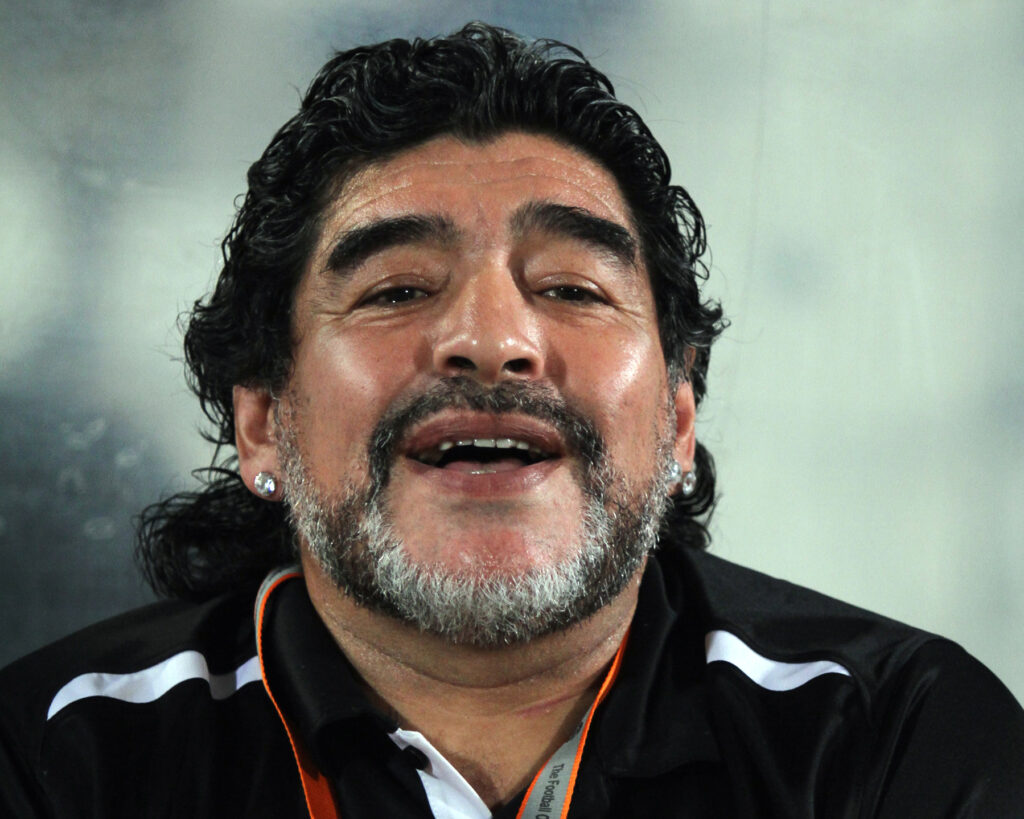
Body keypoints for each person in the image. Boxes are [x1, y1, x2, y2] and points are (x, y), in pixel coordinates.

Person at [1, 22, 1021, 818]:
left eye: (572, 288)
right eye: (398, 289)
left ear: (676, 419)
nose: (491, 339)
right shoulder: (56, 762)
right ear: (263, 421)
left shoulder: (896, 740)